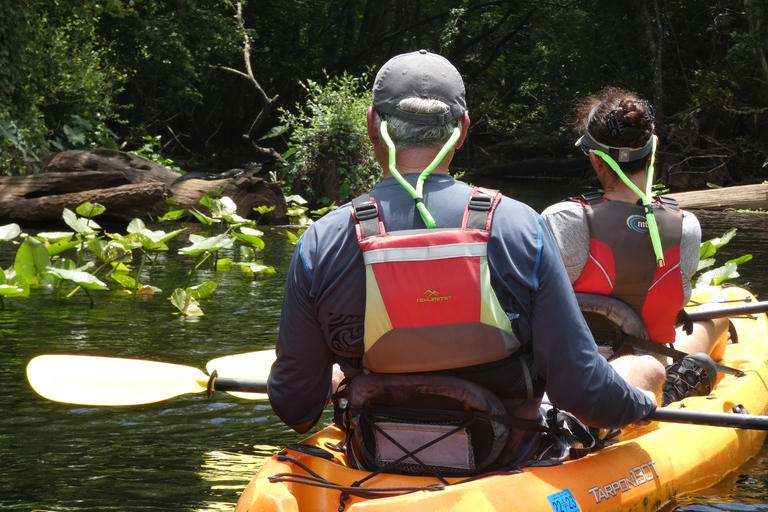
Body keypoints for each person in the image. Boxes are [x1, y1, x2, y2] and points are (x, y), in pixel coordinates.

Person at [267, 51, 656, 475]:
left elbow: (297, 410)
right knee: (645, 367)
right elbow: (582, 390)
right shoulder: (519, 224)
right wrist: (643, 401)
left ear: (371, 125)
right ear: (463, 129)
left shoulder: (319, 241)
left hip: (377, 454)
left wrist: (338, 380)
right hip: (507, 461)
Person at [541, 87, 729, 407]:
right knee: (720, 311)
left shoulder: (562, 219)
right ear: (653, 151)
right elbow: (670, 300)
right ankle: (676, 380)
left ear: (595, 158)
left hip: (572, 370)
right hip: (648, 369)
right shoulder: (687, 226)